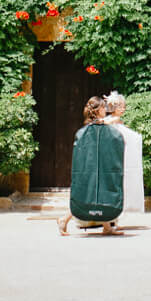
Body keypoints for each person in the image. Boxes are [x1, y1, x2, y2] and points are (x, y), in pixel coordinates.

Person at [59, 96, 121, 236]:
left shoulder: (92, 125)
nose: (105, 109)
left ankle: (107, 227)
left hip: (95, 165)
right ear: (98, 109)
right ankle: (63, 219)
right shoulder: (95, 125)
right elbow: (109, 121)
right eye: (103, 107)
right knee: (89, 197)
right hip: (93, 166)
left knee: (93, 196)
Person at [103, 92, 144, 224]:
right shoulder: (110, 121)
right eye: (121, 106)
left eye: (123, 106)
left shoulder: (117, 122)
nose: (123, 109)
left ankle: (113, 219)